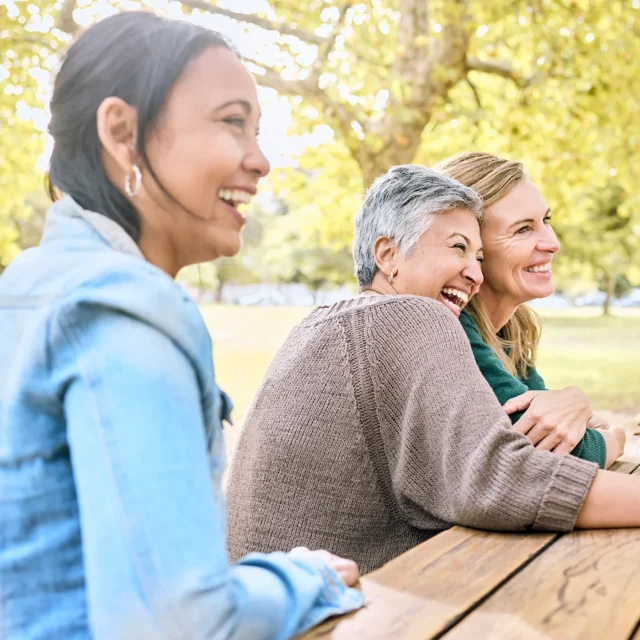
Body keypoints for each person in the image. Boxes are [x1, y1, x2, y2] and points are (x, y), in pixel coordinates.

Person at [0, 12, 363, 639]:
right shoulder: (122, 311)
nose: (262, 161)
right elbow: (177, 620)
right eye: (232, 122)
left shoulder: (28, 287)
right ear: (123, 132)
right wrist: (307, 579)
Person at [226, 164, 640, 576]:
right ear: (388, 255)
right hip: (328, 616)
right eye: (458, 248)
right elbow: (502, 479)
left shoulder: (322, 324)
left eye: (478, 256)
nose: (475, 273)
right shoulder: (415, 317)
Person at [435, 152, 625, 469]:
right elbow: (556, 453)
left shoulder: (512, 328)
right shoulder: (450, 328)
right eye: (523, 229)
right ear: (471, 247)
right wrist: (614, 439)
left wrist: (574, 402)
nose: (552, 243)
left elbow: (555, 423)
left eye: (545, 221)